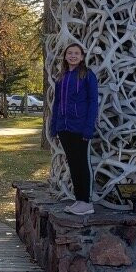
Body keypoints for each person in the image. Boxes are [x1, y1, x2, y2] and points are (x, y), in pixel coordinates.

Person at [48, 43, 99, 215]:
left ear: (82, 56)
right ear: (65, 56)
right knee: (74, 164)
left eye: (76, 53)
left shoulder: (87, 75)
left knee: (82, 164)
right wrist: (54, 127)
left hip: (80, 127)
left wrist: (88, 128)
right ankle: (79, 201)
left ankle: (86, 202)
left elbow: (93, 103)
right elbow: (57, 104)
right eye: (70, 53)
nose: (73, 56)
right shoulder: (61, 77)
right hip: (64, 127)